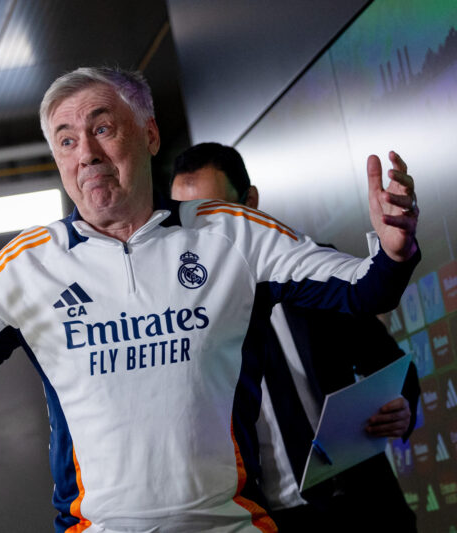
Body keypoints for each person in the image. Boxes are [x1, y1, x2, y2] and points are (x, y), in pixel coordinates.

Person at [0, 67, 420, 533]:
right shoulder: (26, 268)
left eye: (103, 128)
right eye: (67, 140)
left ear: (149, 135)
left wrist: (392, 250)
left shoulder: (231, 234)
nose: (88, 155)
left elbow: (363, 291)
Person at [171, 142, 419, 532]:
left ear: (250, 202)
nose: (204, 239)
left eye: (216, 216)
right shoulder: (178, 320)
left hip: (363, 506)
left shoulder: (313, 274)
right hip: (270, 520)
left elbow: (389, 362)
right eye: (189, 223)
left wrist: (402, 407)